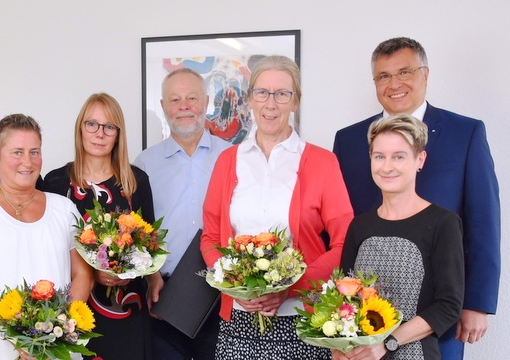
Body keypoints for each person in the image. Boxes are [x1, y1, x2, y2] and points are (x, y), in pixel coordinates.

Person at [332, 37, 500, 359]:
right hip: (364, 317)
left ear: (425, 74)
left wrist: (476, 302)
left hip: (438, 310)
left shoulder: (465, 133)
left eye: (404, 72)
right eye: (383, 76)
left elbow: (483, 221)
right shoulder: (349, 139)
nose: (394, 84)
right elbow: (343, 221)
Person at [200, 55, 354, 360]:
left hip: (303, 321)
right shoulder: (227, 162)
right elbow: (210, 237)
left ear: (295, 102)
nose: (271, 104)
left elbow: (344, 243)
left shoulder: (323, 163)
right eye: (262, 93)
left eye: (283, 94)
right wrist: (235, 281)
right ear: (250, 99)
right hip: (238, 323)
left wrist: (292, 287)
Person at [0, 114, 94, 360]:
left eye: (34, 152)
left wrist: (59, 328)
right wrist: (17, 336)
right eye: (17, 152)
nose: (28, 161)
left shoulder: (64, 209)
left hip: (57, 348)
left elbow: (83, 274)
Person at [335, 113, 464, 359]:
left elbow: (448, 306)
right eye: (379, 156)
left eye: (399, 157)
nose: (387, 166)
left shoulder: (443, 223)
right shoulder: (359, 226)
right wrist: (338, 347)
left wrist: (387, 343)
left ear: (420, 159)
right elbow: (342, 299)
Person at [43, 93, 154, 360]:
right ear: (80, 128)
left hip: (126, 305)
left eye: (109, 126)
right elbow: (48, 246)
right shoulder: (56, 182)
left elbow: (151, 247)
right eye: (91, 124)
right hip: (72, 307)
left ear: (118, 134)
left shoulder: (136, 181)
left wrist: (127, 273)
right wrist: (91, 272)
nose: (99, 133)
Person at [134, 67, 231, 360]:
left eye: (191, 98)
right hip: (162, 298)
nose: (184, 106)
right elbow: (137, 231)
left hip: (221, 298)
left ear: (206, 103)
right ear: (163, 107)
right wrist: (151, 278)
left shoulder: (231, 157)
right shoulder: (144, 163)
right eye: (175, 100)